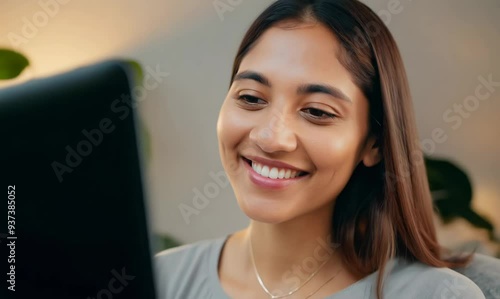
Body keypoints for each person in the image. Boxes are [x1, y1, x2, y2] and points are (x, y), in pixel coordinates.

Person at [155, 0, 485, 298]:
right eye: (251, 98)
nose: (271, 138)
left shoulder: (436, 295)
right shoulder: (160, 279)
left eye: (317, 111)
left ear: (373, 143)